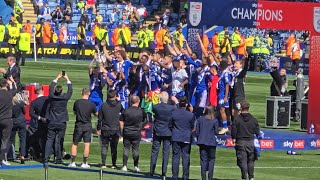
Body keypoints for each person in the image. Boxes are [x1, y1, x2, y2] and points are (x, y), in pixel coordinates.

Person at [44, 72, 73, 165]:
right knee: (59, 140)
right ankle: (58, 158)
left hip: (52, 120)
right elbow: (70, 91)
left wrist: (57, 77)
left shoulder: (52, 97)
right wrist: (67, 79)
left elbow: (51, 87)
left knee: (49, 140)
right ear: (61, 92)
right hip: (61, 121)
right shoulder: (64, 98)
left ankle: (46, 158)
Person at [68, 88, 96, 168]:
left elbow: (74, 112)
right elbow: (96, 114)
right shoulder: (91, 104)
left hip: (78, 125)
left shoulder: (77, 102)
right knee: (87, 144)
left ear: (81, 93)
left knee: (75, 144)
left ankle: (72, 162)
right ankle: (84, 163)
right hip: (87, 125)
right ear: (89, 94)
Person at [231, 101, 260, 180]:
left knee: (242, 161)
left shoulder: (237, 119)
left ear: (241, 108)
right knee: (250, 161)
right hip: (250, 142)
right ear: (248, 108)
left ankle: (244, 177)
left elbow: (234, 130)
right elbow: (257, 132)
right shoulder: (253, 119)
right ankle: (251, 177)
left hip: (240, 142)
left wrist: (233, 138)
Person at [150, 91, 175, 179]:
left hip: (158, 131)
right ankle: (163, 172)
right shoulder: (171, 108)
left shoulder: (156, 107)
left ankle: (151, 171)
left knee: (154, 151)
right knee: (166, 152)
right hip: (167, 132)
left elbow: (153, 114)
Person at [120, 95, 147, 172]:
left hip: (127, 131)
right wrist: (141, 126)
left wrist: (122, 130)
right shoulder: (141, 111)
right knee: (135, 149)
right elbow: (146, 120)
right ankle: (136, 166)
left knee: (126, 148)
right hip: (136, 132)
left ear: (131, 101)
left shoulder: (126, 110)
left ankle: (124, 165)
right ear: (138, 101)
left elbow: (121, 120)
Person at [97, 90, 123, 169]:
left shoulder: (103, 105)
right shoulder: (119, 105)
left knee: (104, 146)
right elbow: (124, 112)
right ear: (115, 96)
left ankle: (103, 163)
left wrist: (98, 128)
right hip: (115, 129)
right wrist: (118, 101)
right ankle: (113, 164)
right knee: (114, 147)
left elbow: (100, 118)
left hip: (105, 128)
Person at [171, 96, 195, 180]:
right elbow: (192, 126)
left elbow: (170, 125)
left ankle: (175, 176)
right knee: (185, 157)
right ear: (186, 104)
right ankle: (185, 176)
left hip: (176, 136)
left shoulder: (174, 113)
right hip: (186, 137)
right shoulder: (190, 115)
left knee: (176, 157)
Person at [196, 106, 219, 180]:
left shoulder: (200, 119)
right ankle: (210, 177)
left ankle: (203, 178)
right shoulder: (214, 120)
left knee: (203, 161)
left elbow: (197, 132)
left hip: (202, 142)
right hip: (211, 142)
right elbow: (216, 132)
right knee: (211, 160)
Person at [29, 86, 49, 160]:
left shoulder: (34, 102)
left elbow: (31, 113)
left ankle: (39, 154)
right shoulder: (48, 100)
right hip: (48, 121)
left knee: (39, 138)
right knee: (47, 139)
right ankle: (46, 154)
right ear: (42, 90)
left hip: (40, 122)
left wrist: (39, 118)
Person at [0, 78, 17, 166]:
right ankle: (2, 159)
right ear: (6, 85)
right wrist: (12, 82)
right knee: (5, 140)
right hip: (7, 119)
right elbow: (15, 89)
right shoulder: (9, 94)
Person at [9, 93, 28, 164]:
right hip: (21, 121)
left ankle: (6, 155)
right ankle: (22, 155)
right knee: (22, 139)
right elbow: (24, 112)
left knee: (10, 140)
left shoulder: (10, 105)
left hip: (13, 122)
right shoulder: (20, 103)